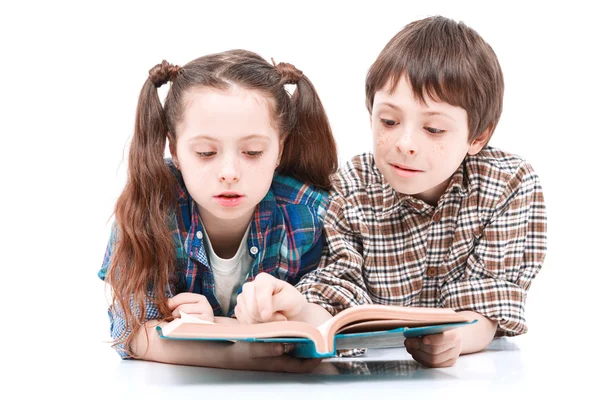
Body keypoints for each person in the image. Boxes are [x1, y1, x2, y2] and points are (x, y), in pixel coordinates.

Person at [233, 16, 547, 368]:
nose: (406, 144)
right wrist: (298, 309)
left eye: (434, 128)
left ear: (478, 136)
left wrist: (455, 339)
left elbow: (490, 300)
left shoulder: (508, 184)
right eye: (389, 122)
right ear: (371, 115)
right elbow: (339, 287)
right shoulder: (352, 185)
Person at [98, 49, 337, 372]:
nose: (229, 172)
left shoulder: (310, 214)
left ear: (280, 147)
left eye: (252, 152)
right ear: (175, 149)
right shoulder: (148, 208)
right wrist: (233, 351)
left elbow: (340, 324)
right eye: (206, 152)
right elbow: (129, 331)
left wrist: (213, 331)